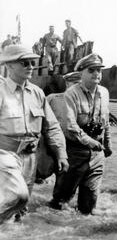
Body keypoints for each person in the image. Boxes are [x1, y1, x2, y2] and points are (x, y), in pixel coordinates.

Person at [0, 45, 69, 221]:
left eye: (32, 62)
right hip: (5, 154)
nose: (31, 66)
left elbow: (52, 126)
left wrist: (61, 154)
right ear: (9, 66)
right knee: (19, 196)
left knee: (20, 209)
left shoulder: (37, 93)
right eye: (24, 62)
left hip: (30, 157)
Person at [48, 53, 112, 214]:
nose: (96, 74)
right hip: (75, 152)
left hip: (97, 154)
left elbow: (106, 121)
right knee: (61, 202)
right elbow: (71, 126)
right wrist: (90, 142)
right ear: (81, 73)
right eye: (91, 70)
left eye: (99, 70)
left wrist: (107, 144)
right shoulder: (72, 94)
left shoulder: (104, 93)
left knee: (88, 207)